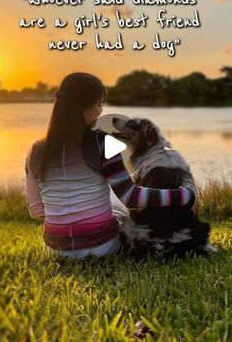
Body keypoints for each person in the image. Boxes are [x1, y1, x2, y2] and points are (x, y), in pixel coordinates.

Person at [25, 72, 195, 259]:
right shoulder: (103, 142)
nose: (100, 111)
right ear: (84, 107)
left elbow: (36, 210)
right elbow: (131, 198)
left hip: (54, 250)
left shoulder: (35, 150)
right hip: (102, 248)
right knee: (116, 197)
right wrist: (184, 195)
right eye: (99, 104)